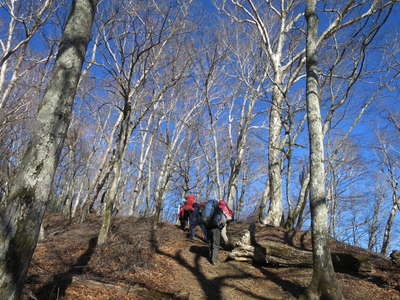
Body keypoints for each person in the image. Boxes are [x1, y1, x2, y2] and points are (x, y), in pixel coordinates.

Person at [202, 199, 234, 265]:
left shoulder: (210, 210)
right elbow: (223, 220)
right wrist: (221, 226)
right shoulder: (219, 210)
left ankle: (210, 258)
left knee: (210, 243)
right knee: (216, 244)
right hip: (216, 229)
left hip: (208, 228)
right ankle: (214, 260)